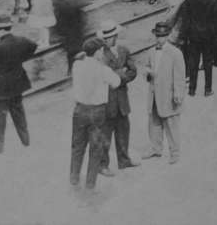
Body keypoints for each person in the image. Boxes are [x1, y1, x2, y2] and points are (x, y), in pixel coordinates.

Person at [70, 37, 120, 191]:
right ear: (98, 52)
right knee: (95, 147)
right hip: (97, 111)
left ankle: (74, 178)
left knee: (77, 146)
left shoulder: (77, 65)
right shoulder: (103, 69)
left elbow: (79, 62)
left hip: (79, 109)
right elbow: (116, 82)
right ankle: (90, 183)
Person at [0, 14, 37, 154]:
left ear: (0, 30)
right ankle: (26, 141)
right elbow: (33, 46)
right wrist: (22, 58)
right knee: (18, 112)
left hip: (0, 88)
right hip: (17, 84)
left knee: (0, 117)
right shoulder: (21, 41)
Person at [97, 21, 139, 174]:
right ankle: (102, 165)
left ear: (116, 36)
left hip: (122, 99)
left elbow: (133, 71)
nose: (109, 40)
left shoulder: (124, 51)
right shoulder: (100, 55)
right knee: (105, 134)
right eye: (106, 37)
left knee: (123, 131)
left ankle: (124, 160)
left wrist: (119, 77)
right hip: (107, 101)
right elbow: (101, 76)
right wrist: (120, 73)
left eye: (111, 36)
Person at [174, 0, 217, 96]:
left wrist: (182, 36)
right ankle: (208, 89)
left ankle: (192, 89)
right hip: (208, 37)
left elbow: (186, 20)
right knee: (207, 62)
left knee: (193, 62)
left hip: (193, 36)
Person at [144, 21, 186, 164]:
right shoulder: (150, 51)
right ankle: (156, 148)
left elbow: (180, 76)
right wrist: (148, 73)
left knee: (171, 124)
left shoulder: (176, 53)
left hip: (169, 95)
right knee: (154, 122)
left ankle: (175, 152)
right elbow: (147, 68)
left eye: (162, 36)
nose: (159, 39)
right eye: (157, 36)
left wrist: (178, 94)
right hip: (154, 94)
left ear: (167, 36)